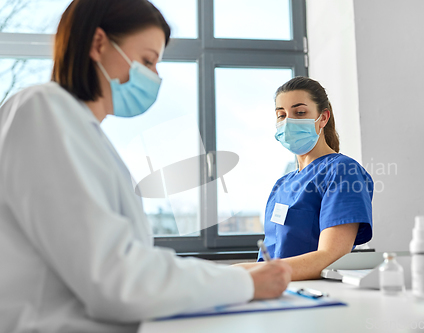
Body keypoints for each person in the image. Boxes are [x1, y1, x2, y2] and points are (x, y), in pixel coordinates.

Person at [0, 1, 291, 332]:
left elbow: (124, 263)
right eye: (147, 61)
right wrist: (247, 284)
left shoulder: (84, 132)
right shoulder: (43, 111)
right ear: (98, 44)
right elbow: (116, 277)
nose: (155, 77)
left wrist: (234, 277)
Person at [237, 77, 373, 281]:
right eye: (281, 115)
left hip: (314, 293)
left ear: (323, 117)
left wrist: (239, 273)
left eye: (300, 113)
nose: (288, 122)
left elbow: (331, 257)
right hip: (274, 289)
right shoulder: (282, 184)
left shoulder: (342, 170)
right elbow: (271, 254)